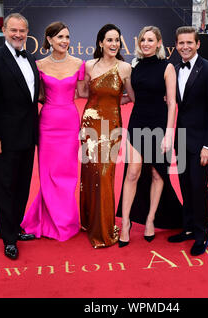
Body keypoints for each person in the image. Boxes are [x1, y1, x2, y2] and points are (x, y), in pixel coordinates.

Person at [0, 13, 39, 260]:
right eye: (13, 30)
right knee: (5, 187)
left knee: (22, 185)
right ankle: (8, 237)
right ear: (4, 31)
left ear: (27, 32)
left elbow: (31, 97)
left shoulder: (30, 58)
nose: (18, 35)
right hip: (4, 137)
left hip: (28, 135)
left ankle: (16, 226)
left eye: (22, 31)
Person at [116, 26, 181, 247]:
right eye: (143, 39)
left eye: (150, 40)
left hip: (159, 126)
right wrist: (118, 100)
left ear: (159, 43)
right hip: (137, 123)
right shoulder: (135, 66)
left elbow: (172, 103)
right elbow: (133, 96)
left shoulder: (167, 67)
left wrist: (169, 133)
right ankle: (125, 222)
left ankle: (150, 219)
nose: (146, 43)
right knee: (132, 172)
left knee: (156, 173)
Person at [20, 22, 85, 241]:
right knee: (48, 174)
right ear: (49, 40)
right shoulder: (38, 65)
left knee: (67, 174)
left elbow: (84, 92)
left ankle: (65, 221)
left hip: (69, 123)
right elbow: (37, 95)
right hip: (47, 124)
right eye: (60, 37)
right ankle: (47, 220)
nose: (64, 41)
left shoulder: (78, 64)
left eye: (67, 37)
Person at [168, 26, 208, 256]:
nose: (185, 47)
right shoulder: (173, 68)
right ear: (176, 45)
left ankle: (202, 235)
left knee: (198, 187)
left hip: (202, 143)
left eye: (189, 43)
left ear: (198, 44)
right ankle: (189, 228)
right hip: (181, 140)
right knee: (184, 185)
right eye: (181, 43)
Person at [79, 24, 135, 248]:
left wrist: (114, 103)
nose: (114, 44)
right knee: (90, 174)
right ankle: (89, 221)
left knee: (104, 174)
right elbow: (83, 93)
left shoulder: (125, 68)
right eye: (109, 40)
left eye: (117, 40)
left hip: (111, 126)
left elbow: (131, 97)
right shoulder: (89, 65)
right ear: (100, 43)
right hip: (89, 124)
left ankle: (102, 229)